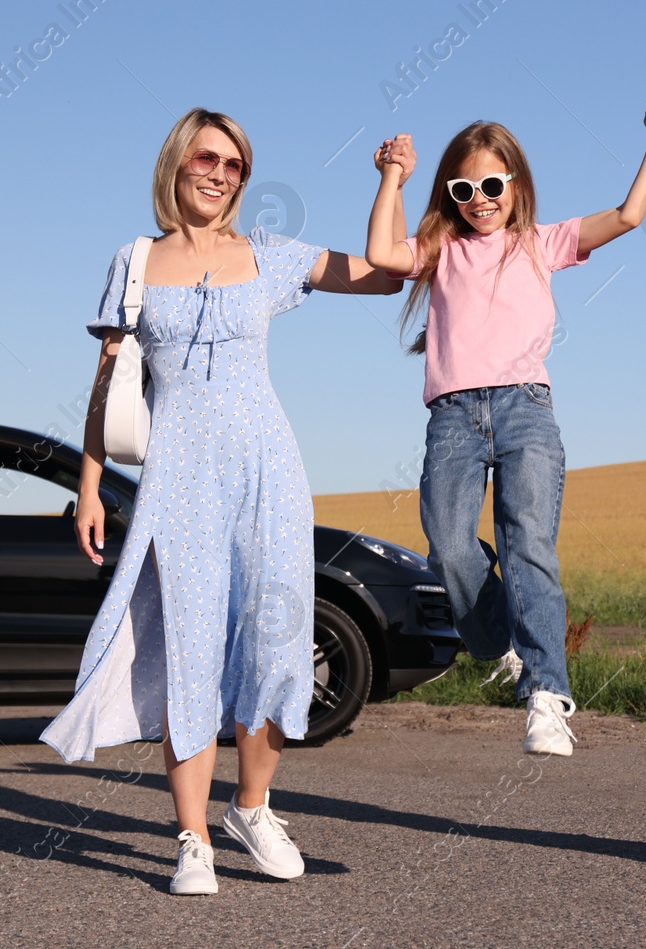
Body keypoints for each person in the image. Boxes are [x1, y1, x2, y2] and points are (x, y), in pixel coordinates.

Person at [41, 108, 402, 896]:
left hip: (267, 469)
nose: (220, 173)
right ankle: (193, 837)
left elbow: (384, 270)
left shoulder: (267, 254)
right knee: (191, 651)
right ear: (176, 162)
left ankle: (253, 804)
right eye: (208, 157)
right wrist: (91, 489)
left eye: (235, 165)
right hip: (177, 476)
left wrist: (393, 181)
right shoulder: (134, 260)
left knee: (276, 643)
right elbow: (109, 383)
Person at [363, 111, 646, 756]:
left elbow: (628, 215)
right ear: (449, 195)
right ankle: (499, 640)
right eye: (463, 191)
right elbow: (379, 254)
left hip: (525, 411)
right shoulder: (441, 251)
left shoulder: (541, 242)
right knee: (448, 547)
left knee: (527, 540)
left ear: (515, 186)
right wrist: (393, 177)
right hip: (452, 415)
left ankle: (546, 695)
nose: (479, 201)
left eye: (492, 187)